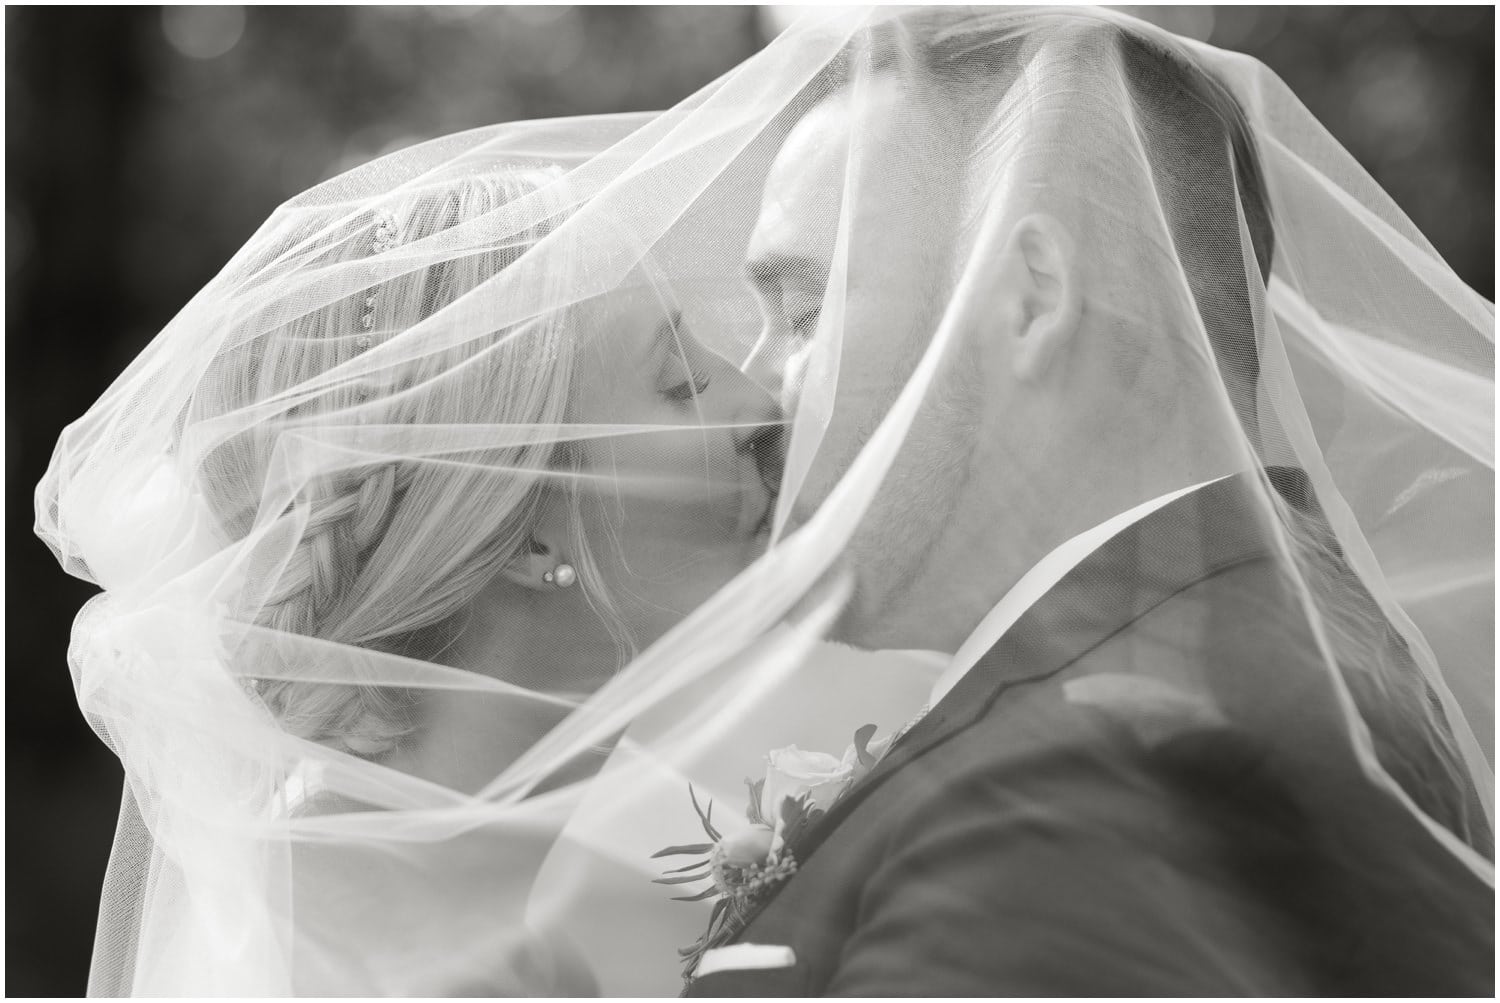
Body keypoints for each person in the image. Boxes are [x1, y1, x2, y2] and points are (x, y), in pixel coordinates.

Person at [682, 8, 1494, 996]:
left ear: (1028, 294)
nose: (756, 390)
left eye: (805, 314)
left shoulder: (1091, 773)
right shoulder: (1266, 646)